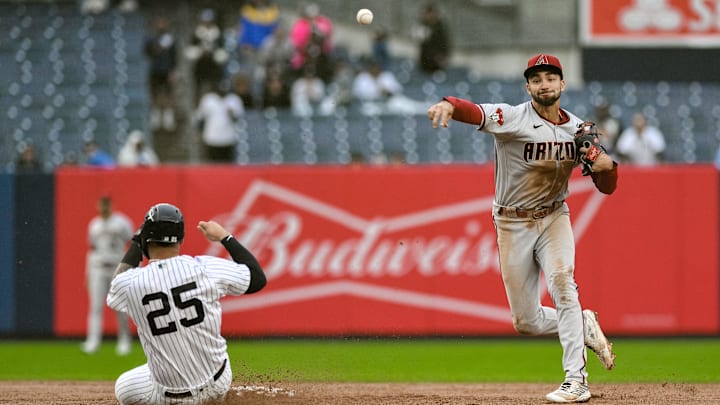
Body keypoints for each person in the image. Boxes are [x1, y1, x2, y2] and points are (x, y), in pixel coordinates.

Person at [427, 53, 618, 403]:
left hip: (553, 217)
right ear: (528, 86)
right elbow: (477, 112)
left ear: (562, 84)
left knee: (563, 283)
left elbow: (608, 186)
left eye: (551, 77)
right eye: (537, 78)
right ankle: (581, 322)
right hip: (511, 222)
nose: (544, 83)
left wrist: (605, 165)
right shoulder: (513, 117)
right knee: (526, 321)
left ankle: (576, 380)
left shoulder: (577, 130)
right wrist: (450, 104)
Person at [107, 203, 267, 404]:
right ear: (181, 238)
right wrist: (225, 237)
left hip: (170, 397)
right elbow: (257, 278)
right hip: (219, 383)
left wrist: (136, 242)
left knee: (123, 386)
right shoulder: (204, 267)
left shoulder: (130, 284)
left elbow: (115, 285)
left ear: (146, 239)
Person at [82, 195, 134, 355]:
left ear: (111, 205)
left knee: (120, 306)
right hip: (98, 267)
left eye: (106, 205)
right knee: (95, 307)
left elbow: (131, 244)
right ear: (98, 206)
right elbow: (92, 250)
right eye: (101, 205)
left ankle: (124, 340)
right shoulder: (94, 225)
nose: (103, 208)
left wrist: (130, 268)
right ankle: (93, 341)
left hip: (117, 267)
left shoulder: (121, 222)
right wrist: (87, 273)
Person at [194, 81, 245, 163]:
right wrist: (198, 133)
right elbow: (200, 118)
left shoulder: (234, 100)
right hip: (211, 138)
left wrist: (231, 114)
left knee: (227, 165)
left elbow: (239, 120)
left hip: (228, 139)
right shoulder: (208, 99)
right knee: (212, 165)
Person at [186, 8, 228, 105]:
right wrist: (200, 52)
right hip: (200, 66)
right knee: (198, 91)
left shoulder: (218, 35)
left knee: (213, 90)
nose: (207, 23)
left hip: (214, 67)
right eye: (205, 21)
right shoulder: (197, 35)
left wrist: (213, 53)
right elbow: (189, 52)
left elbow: (223, 54)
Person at [144, 16, 178, 132]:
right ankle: (155, 117)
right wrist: (159, 47)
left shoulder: (171, 39)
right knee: (155, 94)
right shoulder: (151, 39)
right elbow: (147, 53)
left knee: (169, 94)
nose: (161, 26)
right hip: (155, 70)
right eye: (160, 24)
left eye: (164, 24)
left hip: (167, 70)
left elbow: (175, 57)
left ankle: (168, 118)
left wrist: (173, 72)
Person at [414, 4, 451, 74]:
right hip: (425, 60)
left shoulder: (440, 27)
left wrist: (443, 56)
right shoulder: (423, 25)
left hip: (437, 60)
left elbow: (444, 43)